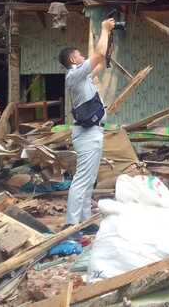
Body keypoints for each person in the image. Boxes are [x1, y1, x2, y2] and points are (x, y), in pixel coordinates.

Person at [58, 17, 115, 230]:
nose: (83, 57)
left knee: (89, 179)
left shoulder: (83, 77)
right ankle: (72, 224)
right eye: (80, 55)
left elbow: (100, 61)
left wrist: (109, 39)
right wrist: (104, 29)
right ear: (73, 59)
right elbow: (98, 55)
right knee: (83, 179)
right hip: (87, 133)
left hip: (92, 133)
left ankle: (85, 220)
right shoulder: (74, 74)